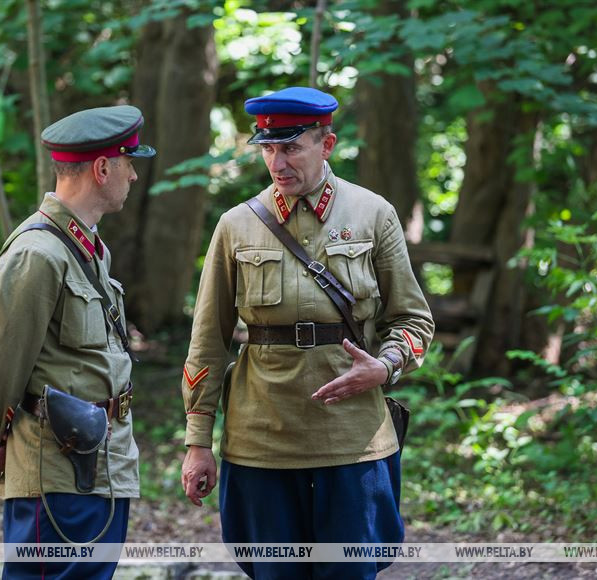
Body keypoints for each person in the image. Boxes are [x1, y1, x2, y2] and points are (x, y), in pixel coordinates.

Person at [179, 87, 434, 579]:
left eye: (291, 146)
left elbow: (414, 319)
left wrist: (384, 366)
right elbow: (207, 341)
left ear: (327, 144)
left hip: (352, 439)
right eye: (268, 148)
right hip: (261, 441)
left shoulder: (372, 214)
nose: (278, 162)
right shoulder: (236, 226)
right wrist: (197, 442)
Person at [0, 105, 155, 579]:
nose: (133, 175)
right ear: (102, 168)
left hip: (99, 466)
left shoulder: (89, 248)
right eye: (129, 162)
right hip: (55, 473)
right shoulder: (38, 253)